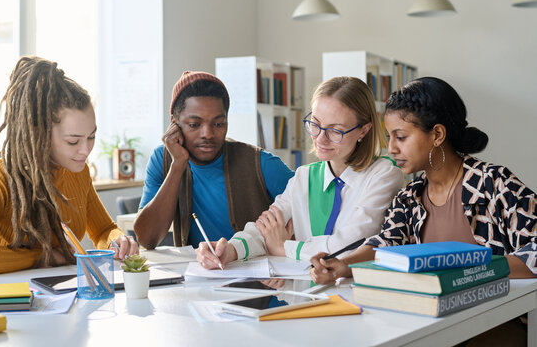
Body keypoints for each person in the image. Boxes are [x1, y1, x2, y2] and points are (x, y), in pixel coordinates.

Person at [310, 76, 536, 285]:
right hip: (435, 319)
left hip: (499, 319)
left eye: (401, 137)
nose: (391, 148)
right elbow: (387, 243)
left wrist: (470, 265)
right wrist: (343, 265)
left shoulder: (493, 184)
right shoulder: (408, 198)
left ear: (437, 135)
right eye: (390, 138)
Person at [196, 76, 404, 268]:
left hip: (357, 295)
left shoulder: (384, 174)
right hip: (307, 294)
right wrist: (229, 250)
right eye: (315, 124)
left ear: (364, 130)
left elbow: (349, 246)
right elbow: (264, 228)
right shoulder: (304, 177)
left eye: (335, 130)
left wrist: (283, 247)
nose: (320, 138)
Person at [0, 56, 138, 274]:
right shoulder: (2, 178)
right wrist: (43, 256)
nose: (86, 150)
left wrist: (116, 241)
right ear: (39, 134)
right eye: (73, 141)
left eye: (91, 137)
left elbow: (103, 229)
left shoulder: (78, 173)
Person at [134, 71, 294, 250]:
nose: (208, 134)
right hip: (197, 274)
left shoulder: (261, 163)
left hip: (259, 276)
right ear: (174, 123)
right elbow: (147, 239)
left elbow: (311, 212)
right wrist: (177, 165)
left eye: (218, 124)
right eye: (195, 125)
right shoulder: (162, 160)